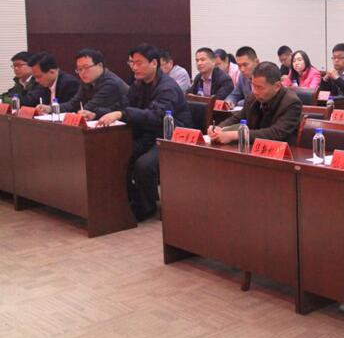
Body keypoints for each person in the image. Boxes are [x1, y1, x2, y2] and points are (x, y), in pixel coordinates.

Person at [96, 44, 191, 222]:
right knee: (117, 154)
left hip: (170, 137)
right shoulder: (138, 83)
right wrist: (97, 113)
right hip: (148, 133)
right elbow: (124, 105)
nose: (134, 67)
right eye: (132, 63)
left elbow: (156, 116)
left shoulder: (167, 87)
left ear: (154, 63)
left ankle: (147, 207)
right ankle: (131, 200)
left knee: (144, 164)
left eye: (139, 63)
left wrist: (122, 114)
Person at [211, 62, 302, 145]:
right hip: (253, 149)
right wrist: (219, 128)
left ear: (277, 86)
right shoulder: (252, 98)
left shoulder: (292, 103)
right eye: (253, 86)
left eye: (260, 87)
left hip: (282, 152)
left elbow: (276, 133)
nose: (255, 91)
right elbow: (238, 118)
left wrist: (237, 135)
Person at [40, 48, 128, 119]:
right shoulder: (87, 81)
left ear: (100, 65)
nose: (82, 72)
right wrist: (50, 108)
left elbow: (90, 108)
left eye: (86, 67)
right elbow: (73, 104)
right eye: (79, 69)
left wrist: (74, 115)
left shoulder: (111, 84)